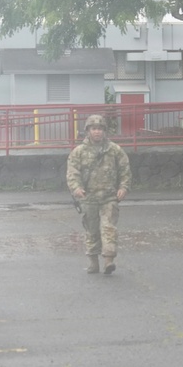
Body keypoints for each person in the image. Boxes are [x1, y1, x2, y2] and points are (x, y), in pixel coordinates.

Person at [66, 114, 132, 274]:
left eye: (100, 129)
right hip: (88, 198)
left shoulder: (114, 150)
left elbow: (125, 170)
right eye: (94, 129)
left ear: (105, 131)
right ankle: (93, 261)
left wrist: (123, 187)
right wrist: (76, 188)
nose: (97, 132)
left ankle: (109, 260)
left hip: (109, 197)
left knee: (109, 228)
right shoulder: (79, 152)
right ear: (88, 131)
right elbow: (72, 173)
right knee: (92, 231)